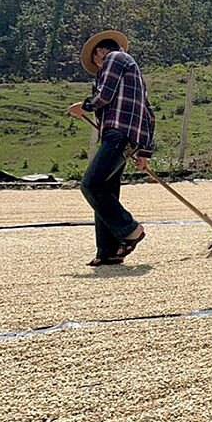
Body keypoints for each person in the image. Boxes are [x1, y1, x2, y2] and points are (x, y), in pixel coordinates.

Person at [67, 31, 155, 267]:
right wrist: (144, 152)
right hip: (126, 138)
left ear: (100, 53)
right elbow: (148, 115)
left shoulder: (114, 58)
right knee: (106, 190)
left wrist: (84, 106)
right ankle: (108, 251)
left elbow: (103, 95)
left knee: (91, 184)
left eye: (95, 59)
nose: (97, 65)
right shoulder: (134, 74)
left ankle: (130, 230)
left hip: (117, 134)